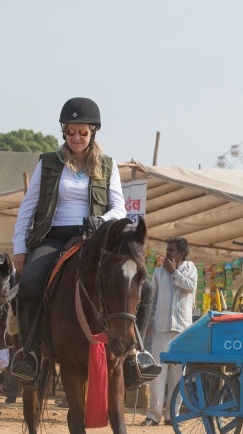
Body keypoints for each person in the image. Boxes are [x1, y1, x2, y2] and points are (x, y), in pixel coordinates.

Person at [11, 97, 160, 387]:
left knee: (148, 288)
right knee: (28, 284)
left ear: (93, 133)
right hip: (52, 237)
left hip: (93, 239)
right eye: (71, 132)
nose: (77, 137)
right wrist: (20, 247)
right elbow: (28, 207)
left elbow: (119, 208)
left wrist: (101, 221)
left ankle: (134, 356)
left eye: (83, 132)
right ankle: (28, 355)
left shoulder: (107, 165)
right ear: (64, 132)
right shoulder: (49, 163)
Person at [141, 237, 197, 426]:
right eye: (167, 250)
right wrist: (148, 321)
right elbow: (152, 298)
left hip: (182, 330)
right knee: (158, 372)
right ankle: (153, 414)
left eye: (171, 250)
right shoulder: (158, 272)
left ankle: (173, 415)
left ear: (180, 253)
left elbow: (190, 287)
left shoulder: (191, 269)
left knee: (178, 374)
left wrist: (173, 272)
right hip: (161, 328)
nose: (167, 253)